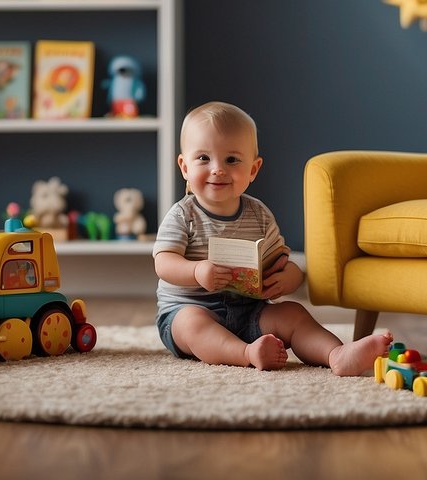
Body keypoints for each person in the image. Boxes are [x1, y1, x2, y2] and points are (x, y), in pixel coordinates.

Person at [154, 101, 392, 373]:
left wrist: (286, 279)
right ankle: (247, 353)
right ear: (184, 167)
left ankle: (336, 354)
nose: (218, 169)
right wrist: (196, 271)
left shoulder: (259, 215)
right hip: (190, 309)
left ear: (253, 170)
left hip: (249, 313)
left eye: (231, 159)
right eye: (204, 158)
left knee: (293, 313)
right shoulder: (183, 214)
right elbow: (163, 263)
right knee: (192, 325)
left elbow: (283, 262)